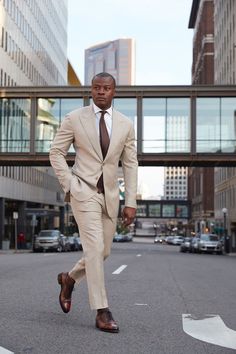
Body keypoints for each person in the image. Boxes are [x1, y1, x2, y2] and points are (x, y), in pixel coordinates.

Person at [49, 72, 138, 333]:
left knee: (103, 252)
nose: (101, 92)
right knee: (94, 248)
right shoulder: (75, 118)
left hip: (110, 195)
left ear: (114, 91)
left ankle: (69, 279)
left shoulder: (125, 124)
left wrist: (130, 200)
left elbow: (130, 164)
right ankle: (102, 310)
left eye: (106, 88)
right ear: (91, 90)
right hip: (83, 191)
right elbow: (56, 152)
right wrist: (69, 183)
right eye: (97, 87)